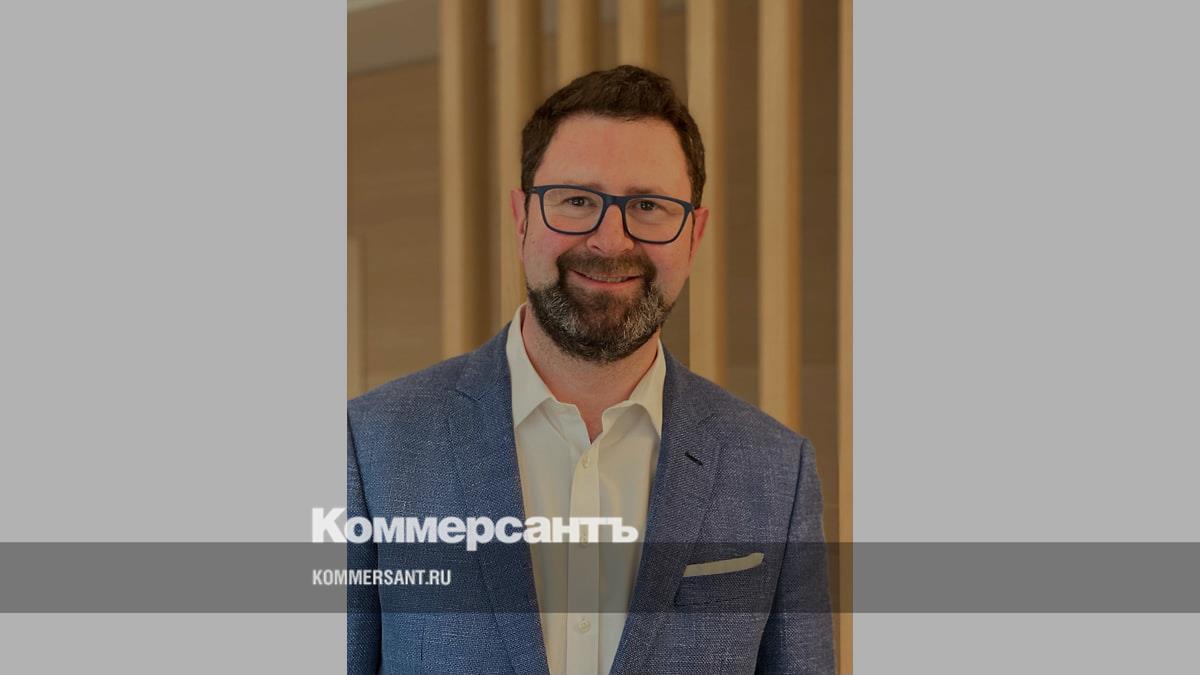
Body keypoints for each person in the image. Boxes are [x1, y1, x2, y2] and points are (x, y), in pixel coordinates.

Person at [348, 65, 833, 675]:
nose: (610, 241)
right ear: (522, 217)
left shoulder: (777, 472)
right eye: (577, 201)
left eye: (649, 206)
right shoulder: (373, 446)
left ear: (694, 234)